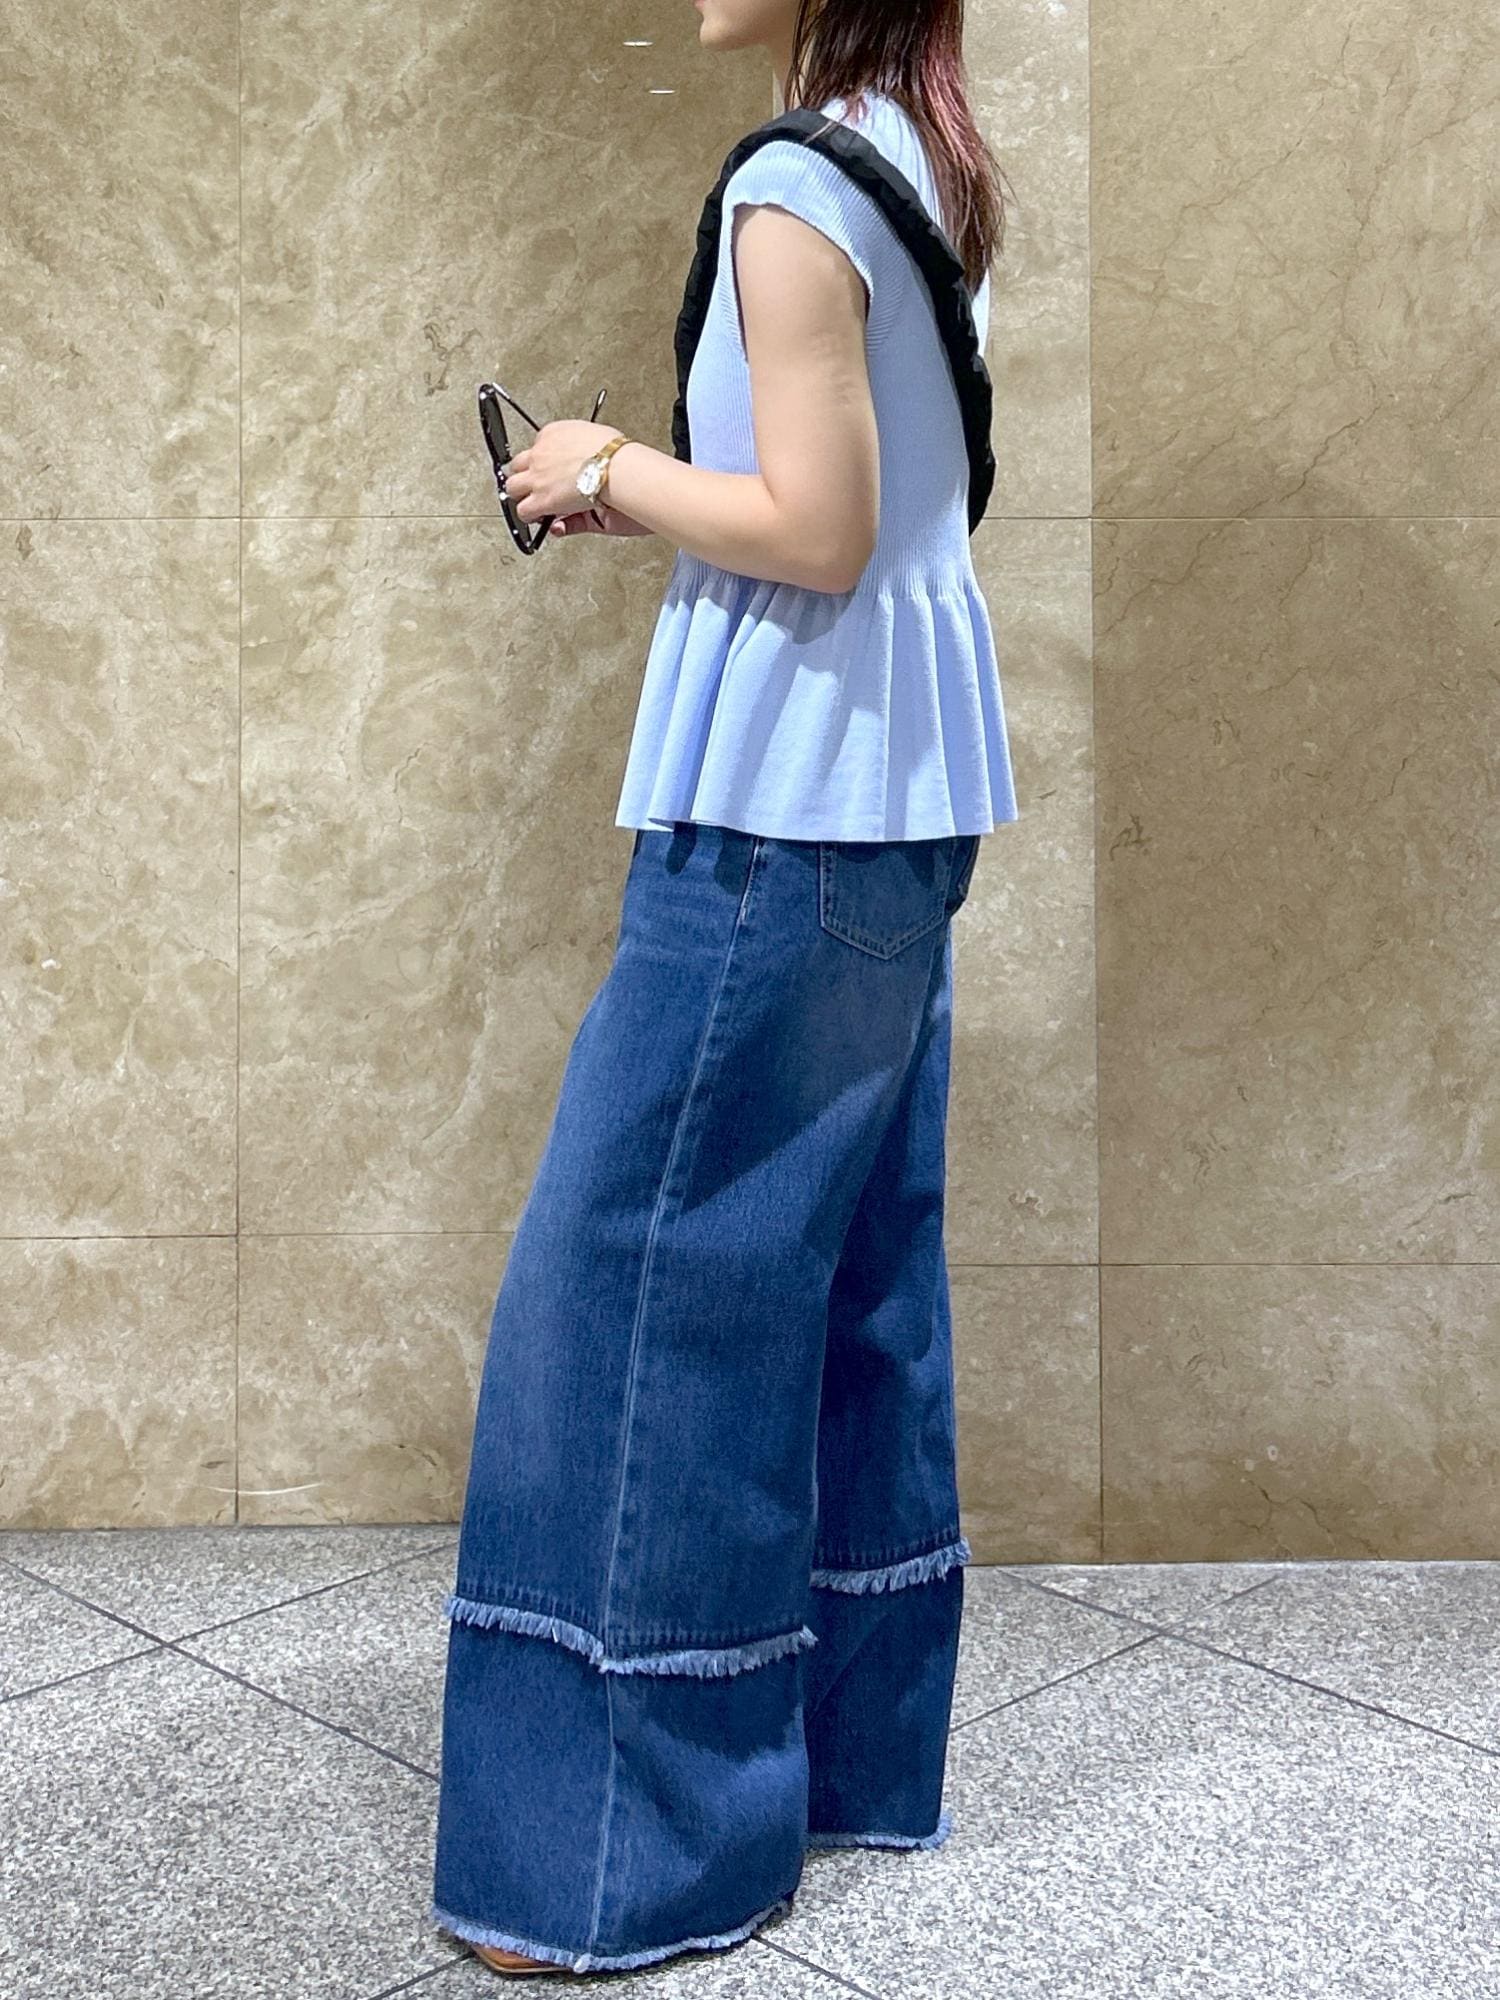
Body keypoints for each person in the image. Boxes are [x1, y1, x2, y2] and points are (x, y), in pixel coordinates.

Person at [432, 0, 1019, 1977]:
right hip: (899, 801)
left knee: (633, 1294)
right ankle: (846, 1758)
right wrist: (645, 490)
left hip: (776, 809)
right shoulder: (925, 162)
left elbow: (818, 534)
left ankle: (617, 1855)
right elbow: (881, 506)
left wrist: (603, 458)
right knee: (850, 1273)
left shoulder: (788, 190)